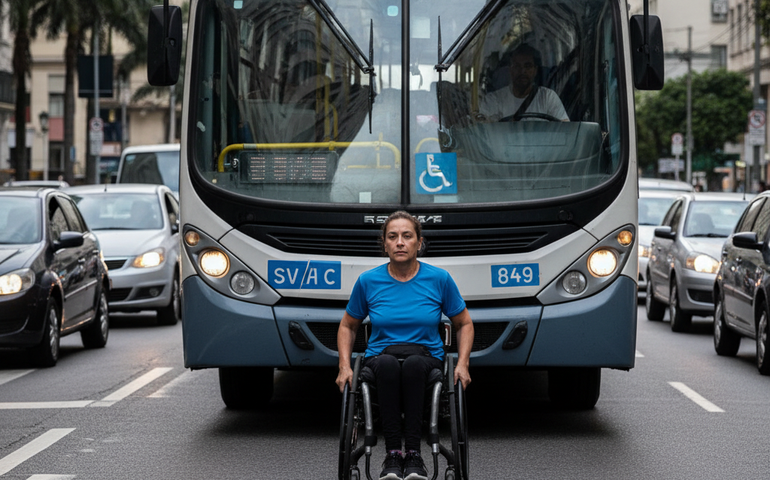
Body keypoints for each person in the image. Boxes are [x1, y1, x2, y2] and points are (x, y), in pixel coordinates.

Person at [336, 211, 474, 480]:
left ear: (419, 243)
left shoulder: (439, 279)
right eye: (393, 237)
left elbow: (465, 323)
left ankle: (413, 454)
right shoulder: (368, 281)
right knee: (387, 365)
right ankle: (392, 456)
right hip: (381, 356)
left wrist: (463, 364)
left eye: (407, 236)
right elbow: (347, 326)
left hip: (425, 356)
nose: (400, 242)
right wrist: (344, 366)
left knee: (413, 365)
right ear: (384, 244)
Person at [476, 43, 569, 122]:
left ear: (535, 70)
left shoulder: (548, 98)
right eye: (517, 66)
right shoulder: (493, 101)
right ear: (510, 70)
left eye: (527, 66)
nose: (522, 71)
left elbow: (564, 129)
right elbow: (485, 134)